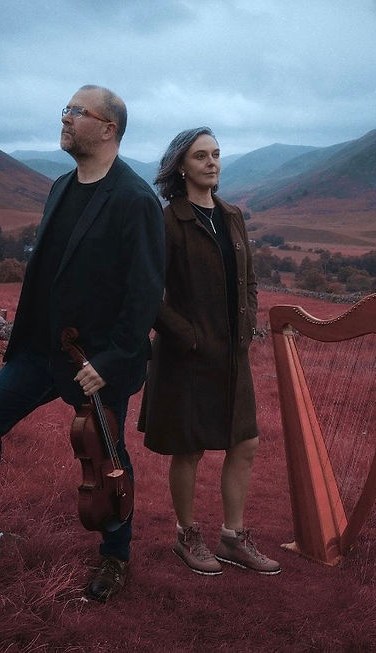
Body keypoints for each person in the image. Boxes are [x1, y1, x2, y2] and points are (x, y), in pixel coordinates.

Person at [0, 85, 165, 603]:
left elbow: (144, 293)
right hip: (42, 351)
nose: (63, 119)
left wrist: (109, 361)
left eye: (75, 112)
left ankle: (115, 560)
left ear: (108, 129)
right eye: (65, 110)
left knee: (108, 455)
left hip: (94, 362)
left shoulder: (134, 200)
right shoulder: (61, 185)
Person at [140, 127, 280, 576]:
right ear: (181, 165)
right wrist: (188, 335)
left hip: (232, 353)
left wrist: (248, 322)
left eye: (217, 154)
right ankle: (187, 535)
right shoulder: (167, 221)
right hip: (188, 355)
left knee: (246, 442)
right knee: (190, 449)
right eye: (201, 156)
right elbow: (145, 292)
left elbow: (250, 280)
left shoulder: (232, 216)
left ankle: (232, 538)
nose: (212, 163)